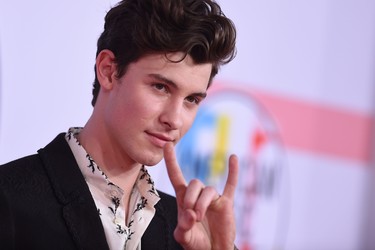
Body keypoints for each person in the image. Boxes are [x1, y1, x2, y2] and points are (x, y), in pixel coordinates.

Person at [0, 0, 238, 249]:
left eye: (191, 99)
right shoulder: (9, 200)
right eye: (161, 87)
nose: (175, 120)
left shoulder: (189, 230)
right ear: (108, 71)